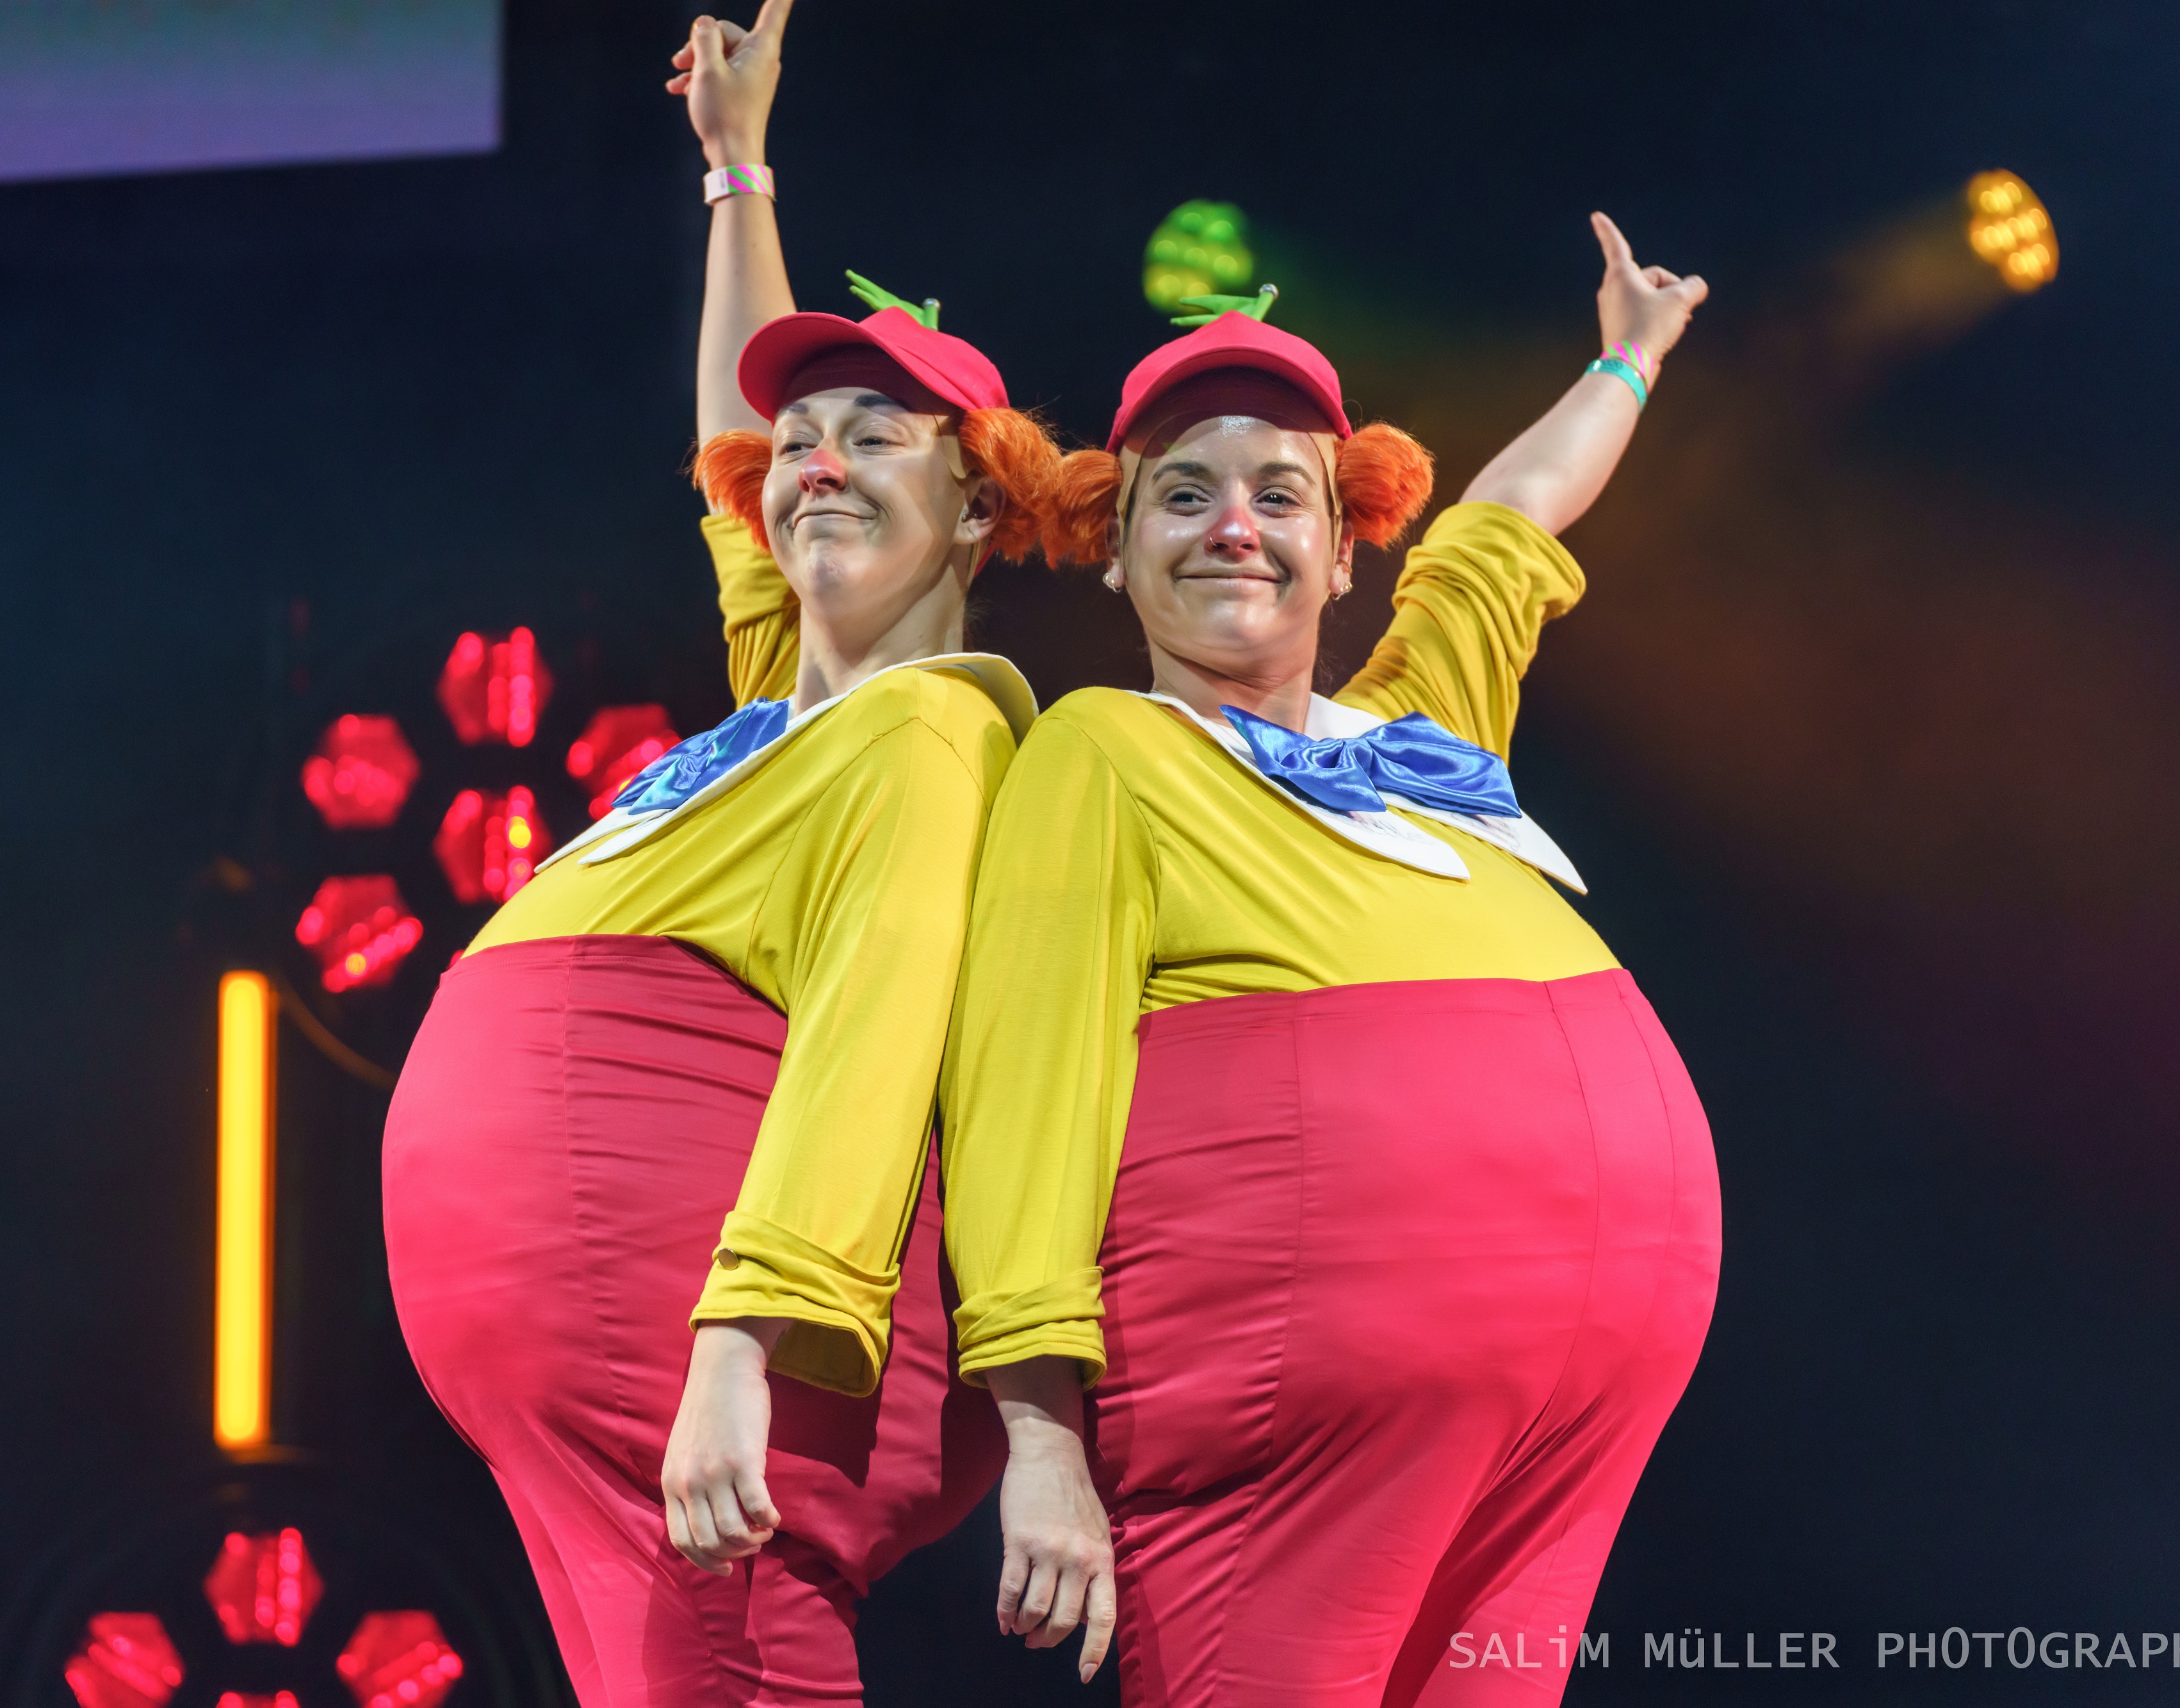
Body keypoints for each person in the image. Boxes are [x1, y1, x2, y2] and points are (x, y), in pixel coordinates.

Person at [939, 218, 1720, 1704]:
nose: (1233, 524)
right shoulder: (1105, 751)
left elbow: (1508, 518)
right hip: (1290, 1413)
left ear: (1343, 549)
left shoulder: (1421, 735)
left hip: (1567, 1415)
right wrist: (1037, 1432)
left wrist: (1626, 356)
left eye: (1278, 493)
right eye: (1183, 494)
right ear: (1112, 552)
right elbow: (1020, 1091)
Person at [382, 4, 1057, 1700]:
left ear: (980, 508)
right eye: (801, 442)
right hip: (601, 1354)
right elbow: (732, 467)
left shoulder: (925, 732)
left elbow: (871, 1031)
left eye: (876, 437)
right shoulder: (791, 718)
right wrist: (738, 174)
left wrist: (743, 1343)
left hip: (715, 1341)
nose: (816, 465)